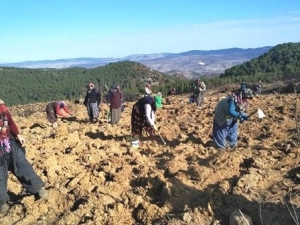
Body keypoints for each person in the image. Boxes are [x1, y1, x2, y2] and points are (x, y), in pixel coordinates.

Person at [0, 99, 47, 213]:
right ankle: (2, 203)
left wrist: (18, 135)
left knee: (23, 165)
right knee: (0, 176)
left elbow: (10, 123)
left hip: (10, 143)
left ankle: (37, 189)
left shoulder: (2, 109)